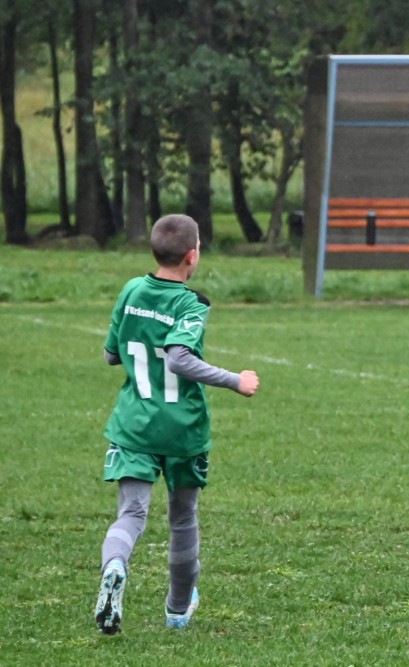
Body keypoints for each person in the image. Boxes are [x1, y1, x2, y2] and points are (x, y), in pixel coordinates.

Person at [94, 214, 260, 634]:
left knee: (131, 513)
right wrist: (235, 380)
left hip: (134, 424)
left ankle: (115, 566)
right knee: (183, 518)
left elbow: (111, 355)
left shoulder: (132, 289)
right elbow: (179, 358)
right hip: (182, 429)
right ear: (192, 255)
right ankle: (178, 609)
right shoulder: (191, 303)